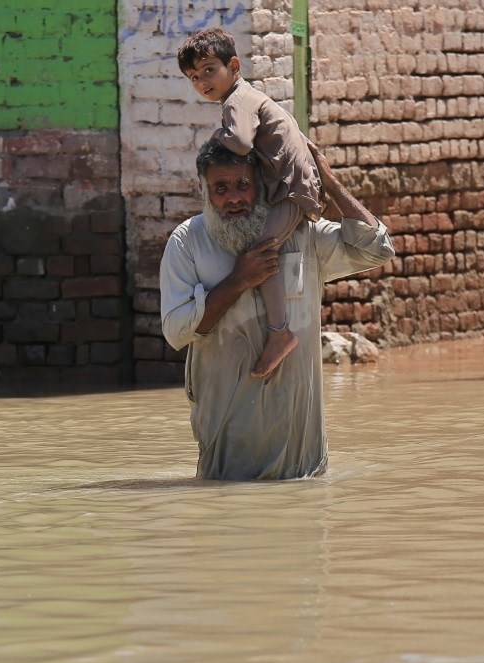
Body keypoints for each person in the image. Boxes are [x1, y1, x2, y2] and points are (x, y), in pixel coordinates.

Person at [159, 139, 395, 481]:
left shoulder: (301, 234)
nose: (234, 198)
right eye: (220, 188)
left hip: (301, 448)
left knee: (303, 515)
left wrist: (330, 182)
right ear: (205, 192)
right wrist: (239, 280)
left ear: (260, 184)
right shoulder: (187, 242)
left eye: (243, 185)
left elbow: (379, 249)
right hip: (227, 442)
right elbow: (177, 331)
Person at [177, 27, 323, 379]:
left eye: (209, 69)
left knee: (259, 254)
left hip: (290, 191)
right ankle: (278, 330)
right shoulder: (251, 98)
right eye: (194, 77)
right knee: (262, 252)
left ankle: (279, 333)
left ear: (235, 65)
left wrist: (216, 138)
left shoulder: (237, 102)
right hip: (292, 186)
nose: (202, 81)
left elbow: (240, 144)